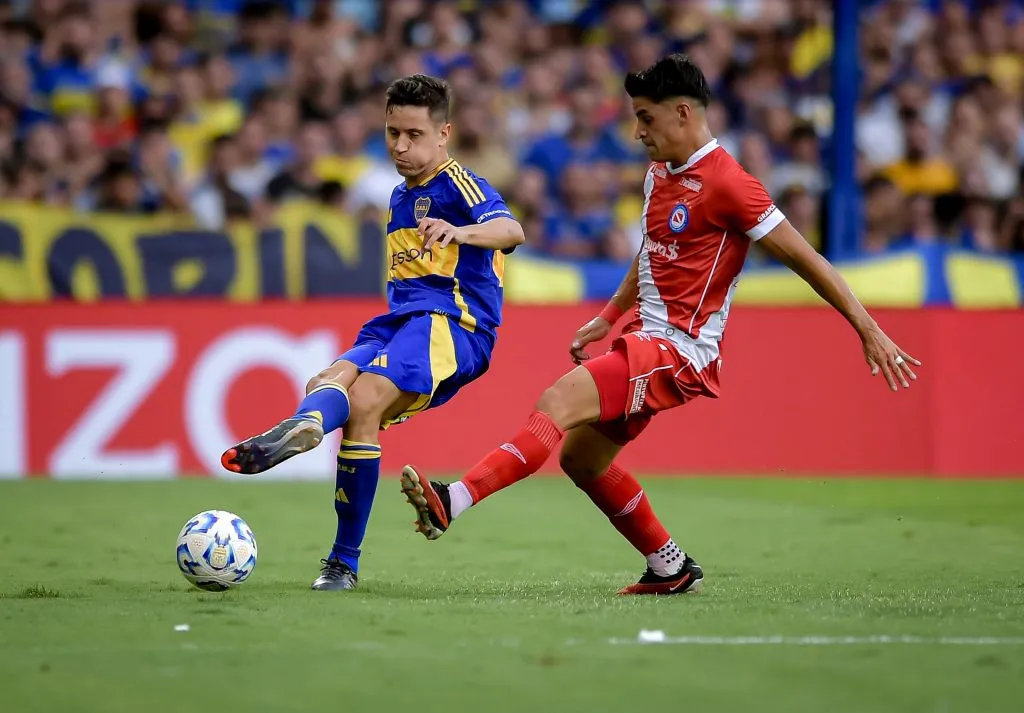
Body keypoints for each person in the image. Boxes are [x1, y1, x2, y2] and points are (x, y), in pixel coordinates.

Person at [399, 54, 921, 596]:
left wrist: (867, 328)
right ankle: (670, 566)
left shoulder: (731, 185)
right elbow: (650, 254)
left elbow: (809, 260)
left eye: (646, 118)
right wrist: (608, 316)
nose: (638, 130)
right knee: (582, 460)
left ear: (682, 114)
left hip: (680, 349)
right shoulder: (658, 177)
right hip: (645, 338)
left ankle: (452, 500)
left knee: (555, 403)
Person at [221, 74, 525, 591]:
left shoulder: (458, 183)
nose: (401, 146)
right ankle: (308, 431)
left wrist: (460, 231)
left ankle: (342, 557)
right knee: (330, 381)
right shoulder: (398, 197)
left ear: (443, 133)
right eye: (392, 133)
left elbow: (512, 231)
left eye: (413, 135)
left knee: (361, 404)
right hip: (400, 320)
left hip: (452, 324)